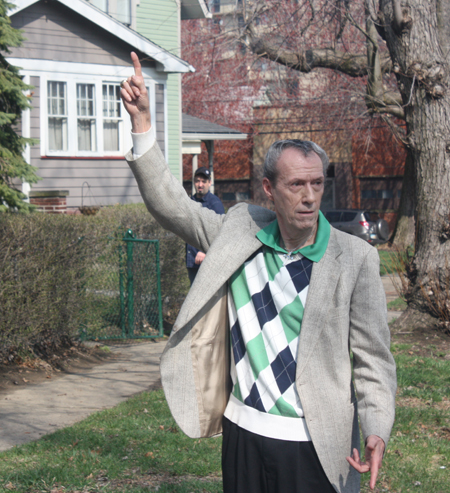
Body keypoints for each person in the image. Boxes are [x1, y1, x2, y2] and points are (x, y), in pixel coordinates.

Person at [121, 52, 396, 493]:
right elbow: (172, 206)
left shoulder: (356, 259)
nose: (309, 196)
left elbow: (373, 359)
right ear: (269, 188)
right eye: (296, 185)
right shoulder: (239, 233)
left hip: (315, 446)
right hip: (243, 434)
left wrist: (377, 426)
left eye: (317, 183)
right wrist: (141, 125)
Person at [186, 167, 225, 285]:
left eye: (203, 181)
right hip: (192, 261)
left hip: (207, 262)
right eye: (197, 181)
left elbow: (221, 232)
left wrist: (205, 251)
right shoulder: (190, 202)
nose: (200, 184)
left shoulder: (215, 204)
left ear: (210, 182)